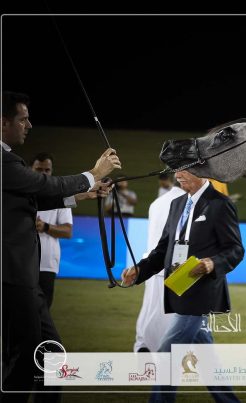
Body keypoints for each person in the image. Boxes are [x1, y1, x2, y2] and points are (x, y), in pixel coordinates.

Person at [1, 91, 121, 401]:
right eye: (23, 119)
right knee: (27, 353)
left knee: (42, 350)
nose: (29, 125)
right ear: (3, 122)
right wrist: (93, 173)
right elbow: (42, 186)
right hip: (13, 277)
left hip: (24, 278)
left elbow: (34, 196)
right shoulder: (4, 161)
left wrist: (83, 193)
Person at [121, 169, 244, 403]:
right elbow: (162, 250)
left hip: (200, 293)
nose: (178, 174)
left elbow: (235, 249)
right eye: (177, 169)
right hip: (177, 290)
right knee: (207, 357)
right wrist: (140, 270)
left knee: (167, 353)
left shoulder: (220, 204)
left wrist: (212, 263)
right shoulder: (176, 204)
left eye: (185, 169)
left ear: (202, 171)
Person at [134, 175, 185, 353]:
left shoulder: (157, 202)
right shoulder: (185, 203)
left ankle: (143, 347)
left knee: (149, 312)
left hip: (152, 266)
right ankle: (153, 353)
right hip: (174, 268)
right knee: (171, 322)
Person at [31, 152, 73, 309]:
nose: (43, 173)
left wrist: (45, 227)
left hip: (46, 263)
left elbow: (67, 231)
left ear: (52, 171)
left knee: (43, 311)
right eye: (39, 169)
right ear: (30, 169)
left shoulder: (60, 197)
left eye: (47, 170)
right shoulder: (20, 193)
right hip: (20, 262)